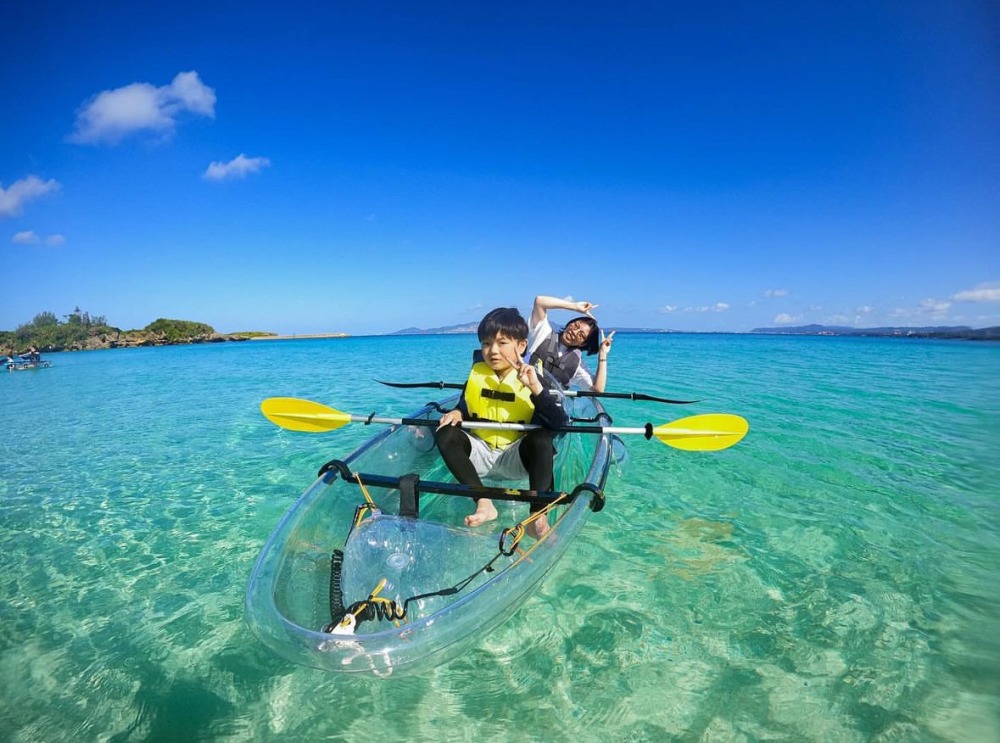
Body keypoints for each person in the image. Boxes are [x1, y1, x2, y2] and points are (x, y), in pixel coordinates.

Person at [435, 307, 568, 538]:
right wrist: (457, 412)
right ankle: (484, 503)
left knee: (541, 438)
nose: (493, 351)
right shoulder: (478, 373)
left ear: (521, 346)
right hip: (480, 454)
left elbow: (559, 425)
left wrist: (536, 389)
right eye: (486, 343)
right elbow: (465, 405)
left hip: (515, 457)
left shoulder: (536, 377)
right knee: (445, 433)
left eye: (502, 343)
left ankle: (537, 517)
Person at [526, 295, 615, 391]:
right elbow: (540, 301)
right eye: (576, 325)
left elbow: (597, 390)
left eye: (581, 335)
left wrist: (603, 354)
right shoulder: (542, 332)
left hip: (546, 404)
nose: (574, 332)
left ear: (583, 344)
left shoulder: (577, 365)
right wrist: (575, 306)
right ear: (570, 323)